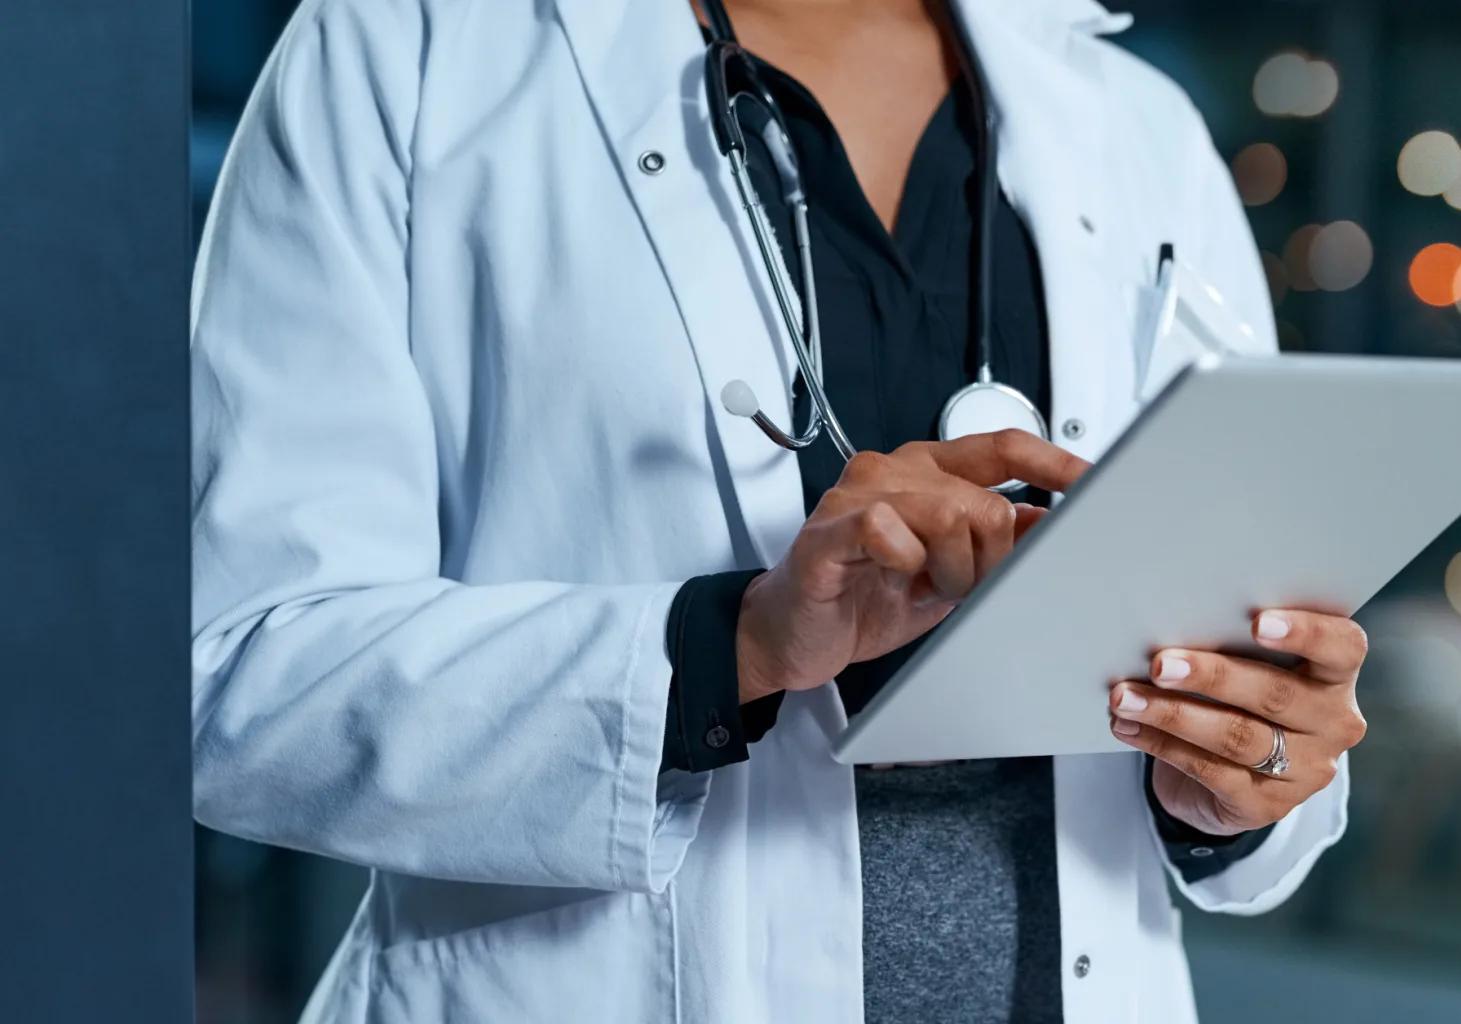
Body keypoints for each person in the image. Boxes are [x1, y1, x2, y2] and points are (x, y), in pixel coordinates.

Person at [189, 0, 1369, 1021]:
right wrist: (733, 647)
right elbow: (236, 673)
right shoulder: (406, 54)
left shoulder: (1135, 126)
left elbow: (1242, 700)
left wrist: (1241, 774)